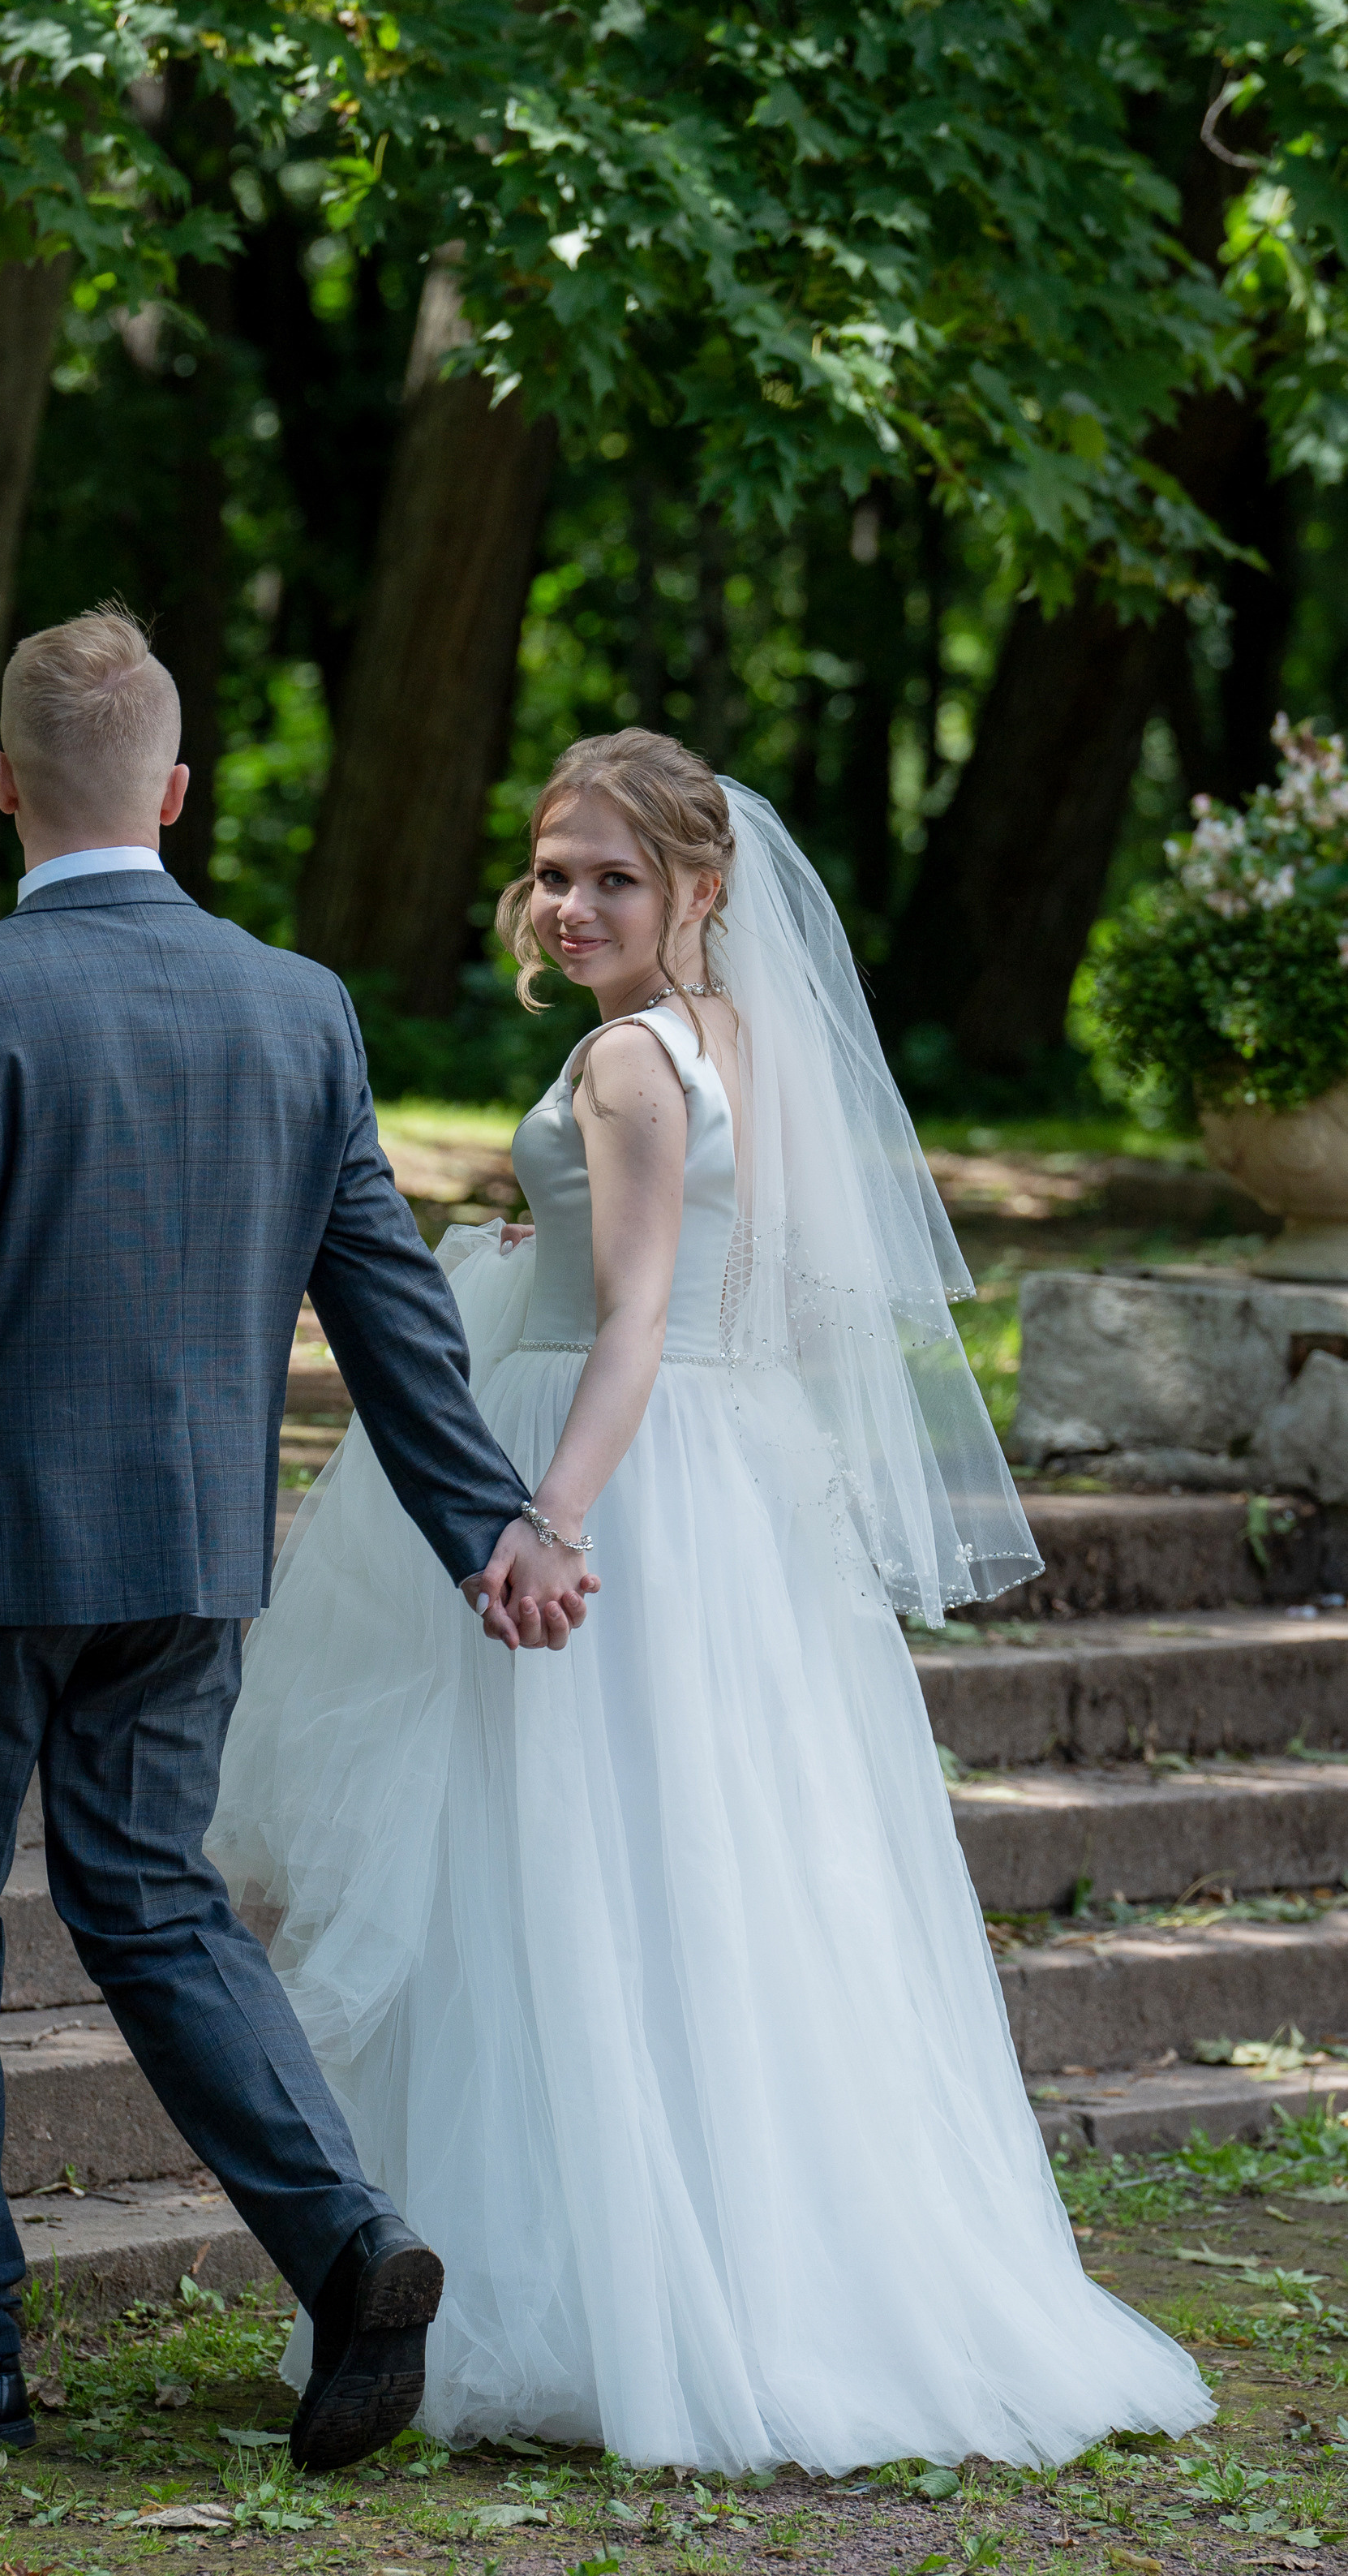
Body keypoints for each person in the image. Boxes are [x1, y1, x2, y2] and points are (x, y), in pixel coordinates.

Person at [210, 729, 1213, 2473]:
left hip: (627, 1480)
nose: (575, 901)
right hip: (738, 1495)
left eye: (616, 874)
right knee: (725, 1888)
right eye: (557, 868)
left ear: (701, 888)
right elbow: (684, 1267)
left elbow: (641, 1320)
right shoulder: (739, 1040)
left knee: (571, 1892)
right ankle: (743, 2280)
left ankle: (609, 2304)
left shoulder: (623, 1064)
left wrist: (548, 1516)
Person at [0, 603, 591, 2466]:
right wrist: (493, 1520)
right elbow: (386, 1300)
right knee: (152, 1901)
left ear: (1, 788)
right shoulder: (299, 1008)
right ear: (181, 791)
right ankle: (350, 2243)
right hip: (192, 1556)